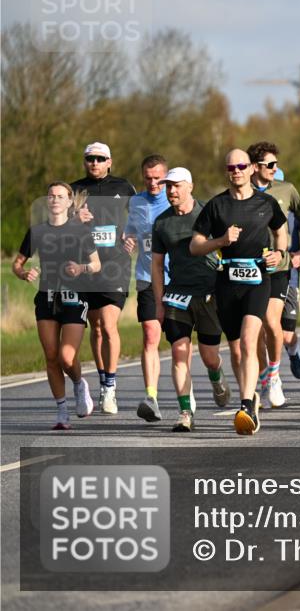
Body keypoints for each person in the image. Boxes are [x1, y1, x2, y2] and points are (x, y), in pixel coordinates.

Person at [191, 149, 288, 435]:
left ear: (251, 169)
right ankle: (251, 395)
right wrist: (221, 240)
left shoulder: (266, 202)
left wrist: (279, 253)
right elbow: (195, 245)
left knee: (248, 341)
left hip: (258, 280)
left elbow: (281, 230)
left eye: (241, 166)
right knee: (235, 349)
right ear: (227, 171)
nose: (236, 171)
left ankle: (246, 406)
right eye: (231, 167)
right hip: (226, 283)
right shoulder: (216, 205)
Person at [13, 182, 100, 429]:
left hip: (74, 297)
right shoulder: (37, 231)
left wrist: (81, 268)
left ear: (69, 201)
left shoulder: (80, 231)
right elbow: (17, 264)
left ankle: (79, 384)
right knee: (51, 357)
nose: (54, 200)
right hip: (47, 297)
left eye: (60, 196)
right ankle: (62, 411)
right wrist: (24, 273)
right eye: (51, 196)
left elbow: (96, 265)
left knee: (66, 356)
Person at [150, 167, 231, 432]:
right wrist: (159, 302)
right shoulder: (162, 222)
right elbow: (157, 265)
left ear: (190, 187)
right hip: (177, 294)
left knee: (209, 357)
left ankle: (216, 376)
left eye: (176, 185)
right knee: (179, 352)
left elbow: (229, 245)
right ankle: (185, 412)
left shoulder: (209, 213)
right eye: (168, 186)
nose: (171, 191)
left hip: (209, 293)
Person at [70, 142, 136, 415]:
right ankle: (102, 381)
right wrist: (74, 217)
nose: (94, 163)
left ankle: (110, 388)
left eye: (100, 159)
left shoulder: (124, 187)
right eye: (90, 159)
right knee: (96, 328)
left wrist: (133, 237)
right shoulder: (74, 190)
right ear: (85, 161)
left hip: (115, 265)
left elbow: (140, 217)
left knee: (109, 325)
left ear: (109, 161)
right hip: (87, 265)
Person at [247, 141, 300, 408]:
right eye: (270, 164)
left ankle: (274, 375)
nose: (275, 168)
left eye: (276, 164)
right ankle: (265, 378)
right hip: (250, 267)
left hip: (280, 266)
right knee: (256, 327)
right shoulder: (241, 192)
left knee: (270, 320)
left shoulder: (286, 189)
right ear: (255, 167)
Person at [123, 155, 171, 421]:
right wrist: (128, 241)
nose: (153, 184)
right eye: (148, 178)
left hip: (177, 278)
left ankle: (188, 393)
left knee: (178, 340)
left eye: (158, 179)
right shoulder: (136, 202)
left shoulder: (176, 199)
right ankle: (151, 397)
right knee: (151, 335)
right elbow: (130, 231)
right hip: (146, 276)